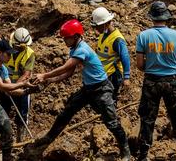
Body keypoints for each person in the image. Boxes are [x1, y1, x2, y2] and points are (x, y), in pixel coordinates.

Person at [25, 20, 131, 161]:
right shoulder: (75, 48)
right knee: (66, 112)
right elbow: (69, 72)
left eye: (66, 38)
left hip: (101, 89)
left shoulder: (82, 49)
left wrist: (44, 75)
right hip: (88, 88)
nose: (64, 41)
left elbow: (65, 67)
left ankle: (125, 151)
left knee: (111, 122)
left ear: (75, 37)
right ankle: (48, 138)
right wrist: (50, 80)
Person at [134, 2, 176, 160]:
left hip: (151, 82)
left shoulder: (143, 36)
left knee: (147, 119)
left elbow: (139, 64)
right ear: (166, 17)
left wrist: (152, 65)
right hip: (172, 81)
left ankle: (143, 155)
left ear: (152, 17)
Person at [0, 28, 36, 142]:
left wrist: (14, 87)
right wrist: (5, 86)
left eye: (22, 47)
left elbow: (26, 74)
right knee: (1, 113)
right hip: (5, 85)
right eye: (18, 46)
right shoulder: (4, 50)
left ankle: (21, 140)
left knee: (22, 114)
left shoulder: (29, 54)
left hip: (21, 88)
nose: (20, 48)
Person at [91, 7, 130, 103]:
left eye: (98, 26)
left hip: (113, 76)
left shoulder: (117, 40)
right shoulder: (102, 35)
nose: (96, 29)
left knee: (110, 100)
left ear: (106, 24)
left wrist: (126, 77)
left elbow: (125, 58)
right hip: (103, 74)